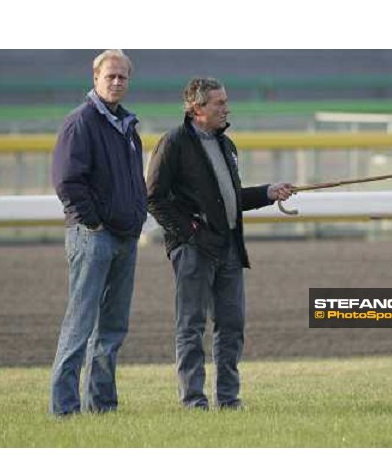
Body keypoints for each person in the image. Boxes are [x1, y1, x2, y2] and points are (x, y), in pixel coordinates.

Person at [146, 77, 293, 410]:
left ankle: (229, 400)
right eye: (219, 103)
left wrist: (268, 193)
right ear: (197, 108)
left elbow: (229, 199)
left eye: (226, 101)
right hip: (194, 251)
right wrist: (189, 234)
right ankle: (193, 401)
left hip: (229, 249)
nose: (227, 107)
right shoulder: (173, 143)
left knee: (232, 326)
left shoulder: (226, 145)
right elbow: (153, 198)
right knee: (191, 326)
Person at [50, 49, 147, 416]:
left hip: (125, 236)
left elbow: (134, 180)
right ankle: (64, 408)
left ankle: (102, 406)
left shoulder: (127, 126)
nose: (117, 82)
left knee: (112, 328)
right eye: (111, 76)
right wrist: (92, 222)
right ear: (96, 78)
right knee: (80, 325)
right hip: (93, 237)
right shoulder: (80, 122)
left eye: (123, 77)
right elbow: (66, 181)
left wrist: (136, 216)